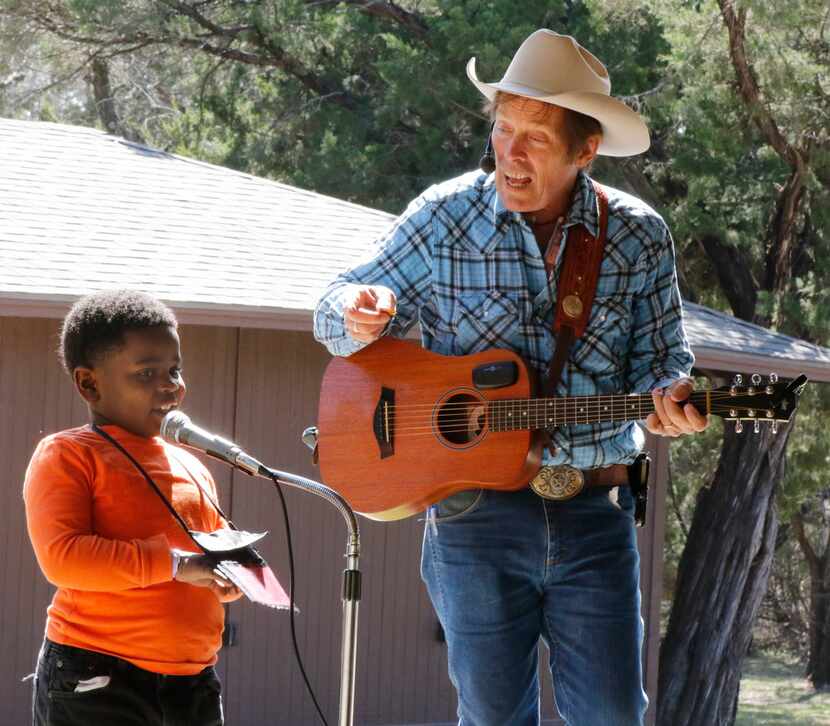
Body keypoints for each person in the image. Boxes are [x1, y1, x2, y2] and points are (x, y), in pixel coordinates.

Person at [314, 29, 708, 726]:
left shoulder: (639, 234)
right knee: (492, 716)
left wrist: (672, 400)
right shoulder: (442, 217)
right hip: (473, 519)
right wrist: (355, 311)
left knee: (614, 715)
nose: (511, 153)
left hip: (597, 514)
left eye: (536, 138)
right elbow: (333, 309)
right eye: (503, 129)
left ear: (586, 151)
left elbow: (665, 364)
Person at [24, 289, 242, 726]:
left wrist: (234, 572)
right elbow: (63, 559)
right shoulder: (68, 454)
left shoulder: (191, 464)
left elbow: (209, 552)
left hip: (192, 683)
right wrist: (177, 565)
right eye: (146, 373)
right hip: (101, 678)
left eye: (175, 370)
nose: (170, 385)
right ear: (89, 383)